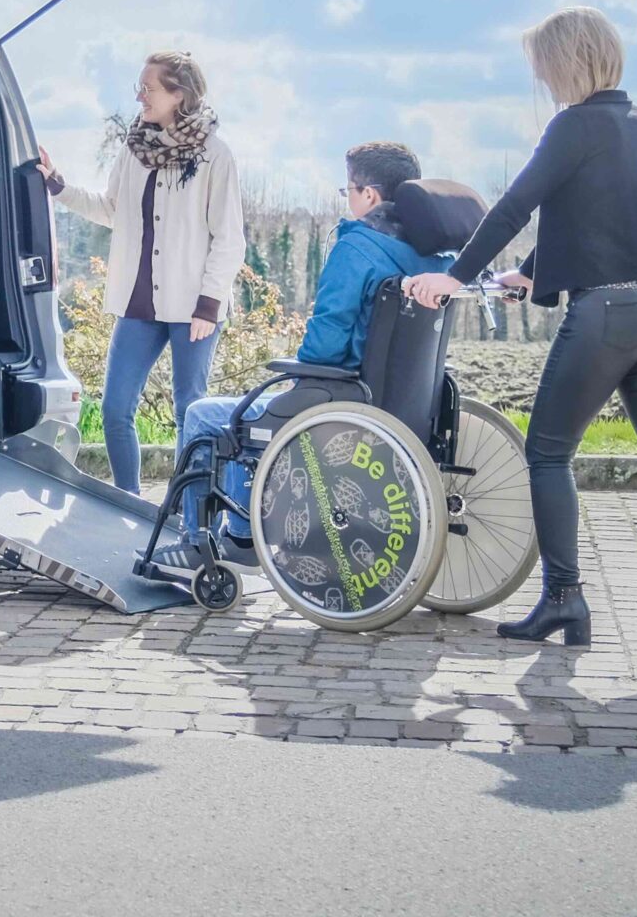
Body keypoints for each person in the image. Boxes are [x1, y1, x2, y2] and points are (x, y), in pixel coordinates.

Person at [406, 7, 637, 654]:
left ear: (566, 62)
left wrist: (456, 276)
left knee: (548, 453)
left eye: (543, 68)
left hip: (608, 311)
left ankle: (563, 598)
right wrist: (530, 273)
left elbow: (515, 206)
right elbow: (601, 210)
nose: (542, 82)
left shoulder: (572, 126)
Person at [154, 141, 457, 573]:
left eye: (347, 190)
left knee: (206, 415)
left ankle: (223, 540)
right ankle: (239, 533)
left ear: (369, 195)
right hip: (406, 407)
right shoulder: (436, 260)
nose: (346, 200)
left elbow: (326, 343)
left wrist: (298, 370)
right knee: (246, 411)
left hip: (342, 399)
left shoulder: (358, 250)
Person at [41, 51, 245, 495]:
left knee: (190, 410)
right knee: (115, 409)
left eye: (148, 88)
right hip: (138, 303)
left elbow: (230, 239)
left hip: (195, 308)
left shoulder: (215, 155)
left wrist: (208, 305)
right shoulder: (134, 150)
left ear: (179, 94)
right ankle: (128, 503)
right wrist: (58, 185)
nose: (139, 96)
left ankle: (192, 515)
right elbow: (110, 208)